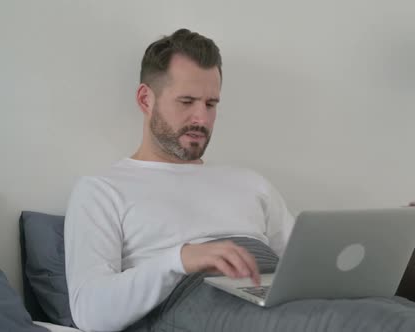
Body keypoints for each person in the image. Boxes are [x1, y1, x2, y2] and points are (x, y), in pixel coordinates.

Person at [64, 28, 295, 332]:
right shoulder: (101, 191)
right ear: (146, 100)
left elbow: (304, 269)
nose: (201, 119)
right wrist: (179, 260)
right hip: (194, 305)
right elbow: (90, 312)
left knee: (370, 308)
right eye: (186, 101)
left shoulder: (252, 184)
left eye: (211, 104)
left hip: (273, 302)